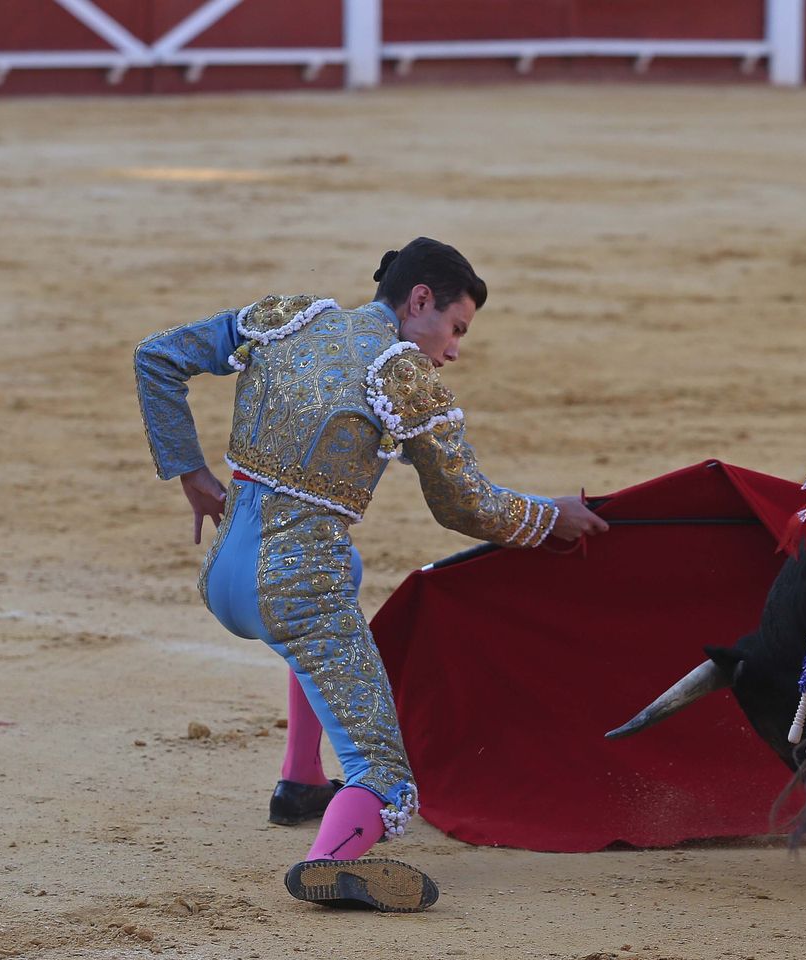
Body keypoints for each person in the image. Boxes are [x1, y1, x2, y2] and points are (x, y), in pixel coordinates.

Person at [135, 238, 608, 911]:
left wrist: (192, 474)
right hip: (296, 594)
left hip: (222, 574)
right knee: (385, 775)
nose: (453, 350)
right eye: (455, 328)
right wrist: (547, 515)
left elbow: (157, 357)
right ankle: (327, 861)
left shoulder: (290, 318)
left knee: (347, 568)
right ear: (420, 300)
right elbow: (464, 504)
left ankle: (301, 779)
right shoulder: (402, 376)